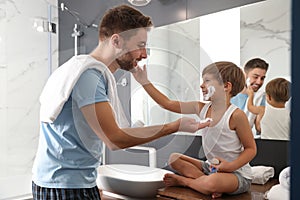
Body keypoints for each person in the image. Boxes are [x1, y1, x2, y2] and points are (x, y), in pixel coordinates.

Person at [31, 5, 210, 200]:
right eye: (140, 45)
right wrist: (175, 126)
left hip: (67, 181)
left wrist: (90, 184)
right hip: (66, 186)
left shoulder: (81, 70)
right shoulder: (89, 76)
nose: (144, 54)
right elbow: (114, 139)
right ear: (116, 40)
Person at [133, 61, 257, 198]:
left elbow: (251, 149)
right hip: (212, 168)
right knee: (174, 158)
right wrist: (144, 82)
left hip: (237, 174)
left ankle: (186, 182)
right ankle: (205, 184)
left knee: (213, 181)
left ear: (226, 86)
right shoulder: (201, 108)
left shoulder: (236, 115)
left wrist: (230, 166)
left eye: (207, 81)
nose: (201, 85)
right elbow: (166, 103)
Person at [230, 58, 269, 137]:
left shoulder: (263, 98)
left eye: (262, 78)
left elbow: (260, 128)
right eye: (255, 77)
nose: (259, 82)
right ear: (245, 75)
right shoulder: (230, 96)